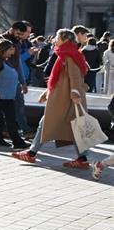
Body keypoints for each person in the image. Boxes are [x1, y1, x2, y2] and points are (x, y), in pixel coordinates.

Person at [12, 29, 97, 171]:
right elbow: (59, 78)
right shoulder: (67, 53)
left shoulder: (68, 55)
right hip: (64, 97)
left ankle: (31, 153)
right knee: (75, 127)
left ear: (65, 39)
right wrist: (47, 92)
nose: (54, 39)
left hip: (66, 98)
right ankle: (82, 159)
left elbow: (75, 76)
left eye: (57, 37)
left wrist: (75, 93)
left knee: (46, 123)